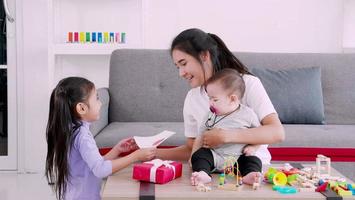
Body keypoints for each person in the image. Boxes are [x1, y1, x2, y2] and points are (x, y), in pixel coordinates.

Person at [156, 28, 285, 180]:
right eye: (178, 67)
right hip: (210, 172)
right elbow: (192, 148)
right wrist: (152, 153)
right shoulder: (192, 98)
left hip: (250, 171)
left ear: (204, 55)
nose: (181, 73)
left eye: (184, 63)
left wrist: (226, 136)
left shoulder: (248, 84)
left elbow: (277, 132)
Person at [45, 77, 155, 200]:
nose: (101, 103)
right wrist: (135, 156)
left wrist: (116, 150)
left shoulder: (70, 131)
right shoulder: (83, 136)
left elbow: (91, 165)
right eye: (97, 98)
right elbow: (100, 170)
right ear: (81, 108)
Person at [190, 68, 262, 186]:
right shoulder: (210, 115)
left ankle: (250, 174)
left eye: (215, 99)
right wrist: (193, 156)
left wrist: (253, 148)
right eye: (209, 98)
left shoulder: (248, 114)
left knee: (253, 160)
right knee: (199, 155)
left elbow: (260, 135)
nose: (210, 103)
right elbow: (200, 136)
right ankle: (203, 174)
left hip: (237, 159)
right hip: (214, 155)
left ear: (232, 99)